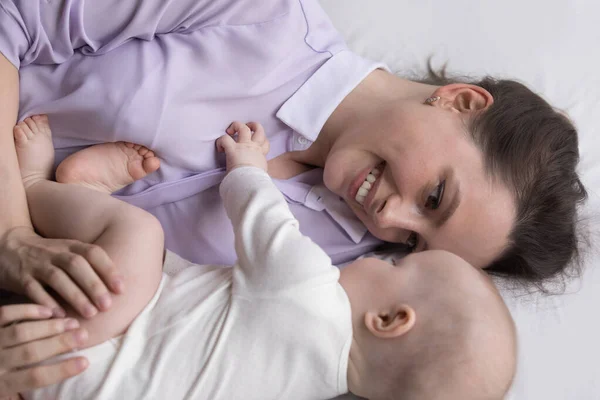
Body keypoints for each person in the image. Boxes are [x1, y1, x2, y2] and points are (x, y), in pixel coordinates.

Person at [0, 0, 584, 392]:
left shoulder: (347, 282)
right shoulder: (261, 18)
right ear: (459, 101)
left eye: (413, 240)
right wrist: (13, 234)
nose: (390, 218)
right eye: (434, 196)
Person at [14, 115, 516, 400]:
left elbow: (262, 217)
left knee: (141, 236)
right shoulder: (306, 389)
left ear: (387, 319)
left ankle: (37, 188)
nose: (378, 253)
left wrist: (249, 164)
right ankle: (90, 200)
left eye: (395, 264)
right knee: (178, 281)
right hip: (69, 380)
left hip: (82, 339)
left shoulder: (312, 297)